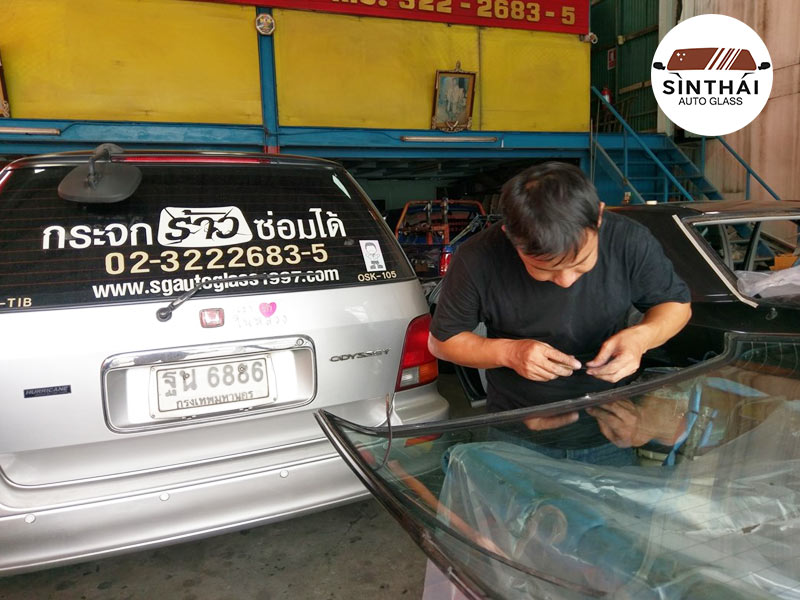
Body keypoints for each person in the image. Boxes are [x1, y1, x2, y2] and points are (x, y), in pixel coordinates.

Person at [428, 162, 692, 464]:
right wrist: (510, 353)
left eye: (581, 263)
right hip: (516, 432)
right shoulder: (478, 257)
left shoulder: (629, 241)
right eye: (544, 269)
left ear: (599, 216)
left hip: (611, 428)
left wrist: (641, 338)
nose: (566, 281)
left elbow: (676, 306)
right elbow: (442, 342)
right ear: (510, 237)